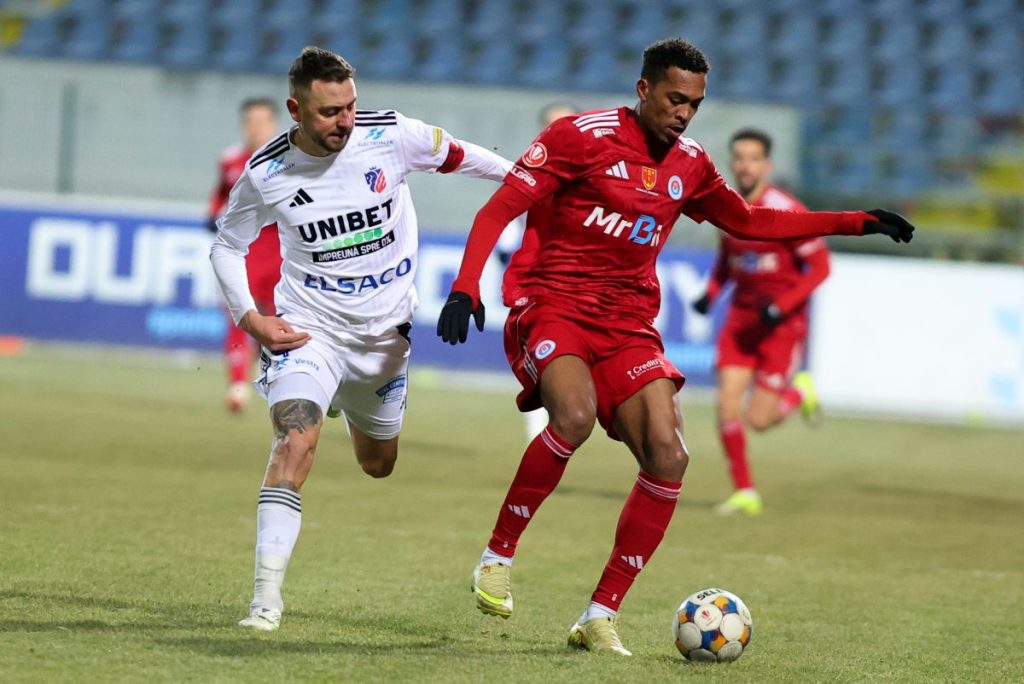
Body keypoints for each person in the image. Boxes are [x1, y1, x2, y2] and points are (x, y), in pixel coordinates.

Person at [436, 38, 914, 655]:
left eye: (694, 103)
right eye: (674, 99)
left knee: (669, 455)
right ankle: (497, 556)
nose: (684, 113)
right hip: (553, 302)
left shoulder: (690, 164)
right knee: (574, 415)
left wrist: (855, 222)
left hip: (628, 322)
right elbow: (497, 210)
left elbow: (749, 221)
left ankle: (600, 614)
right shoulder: (579, 137)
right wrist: (465, 286)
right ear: (644, 90)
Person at [210, 46, 511, 632]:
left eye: (349, 106)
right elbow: (227, 245)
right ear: (295, 110)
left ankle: (346, 402)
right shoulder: (267, 173)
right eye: (329, 112)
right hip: (310, 331)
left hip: (383, 343)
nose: (344, 121)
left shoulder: (390, 135)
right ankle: (265, 603)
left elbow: (463, 156)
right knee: (293, 444)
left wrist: (532, 181)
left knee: (378, 464)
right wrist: (251, 318)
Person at [692, 128, 830, 517]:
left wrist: (782, 306)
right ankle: (745, 492)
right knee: (726, 406)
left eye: (753, 158)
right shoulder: (727, 207)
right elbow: (728, 261)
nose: (745, 165)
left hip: (780, 328)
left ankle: (799, 392)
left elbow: (820, 267)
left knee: (759, 420)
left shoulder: (788, 211)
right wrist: (711, 293)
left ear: (766, 165)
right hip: (741, 322)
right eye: (739, 158)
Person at [496, 102, 579, 443]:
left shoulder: (607, 173)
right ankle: (541, 438)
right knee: (545, 365)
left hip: (590, 290)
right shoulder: (533, 172)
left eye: (567, 123)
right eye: (551, 125)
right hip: (542, 289)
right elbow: (505, 219)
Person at [207, 98, 283, 413]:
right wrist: (212, 213)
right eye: (251, 122)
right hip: (244, 255)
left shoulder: (290, 159)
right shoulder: (231, 161)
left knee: (283, 321)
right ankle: (238, 385)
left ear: (274, 125)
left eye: (262, 122)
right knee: (240, 316)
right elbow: (219, 195)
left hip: (282, 255)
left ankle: (285, 384)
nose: (256, 128)